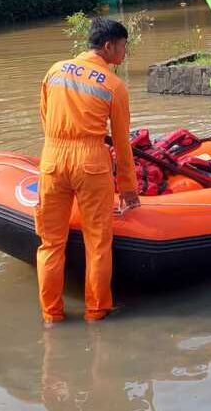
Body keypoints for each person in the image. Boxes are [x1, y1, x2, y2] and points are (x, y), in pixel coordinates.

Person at [36, 17, 140, 325]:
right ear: (108, 46)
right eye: (123, 46)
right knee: (97, 242)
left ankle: (51, 314)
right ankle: (96, 311)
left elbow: (44, 116)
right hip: (91, 162)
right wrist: (128, 188)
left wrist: (59, 142)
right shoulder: (113, 85)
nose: (124, 52)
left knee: (50, 242)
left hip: (52, 157)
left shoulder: (55, 71)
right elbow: (122, 143)